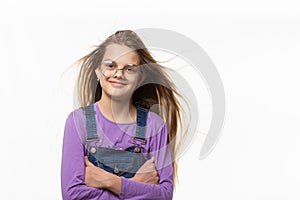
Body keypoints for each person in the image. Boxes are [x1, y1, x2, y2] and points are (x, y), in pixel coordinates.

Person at [61, 30, 185, 199]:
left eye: (129, 69)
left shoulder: (154, 126)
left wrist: (109, 181)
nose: (119, 74)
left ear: (140, 77)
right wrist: (136, 184)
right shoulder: (78, 121)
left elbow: (164, 195)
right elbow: (73, 195)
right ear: (98, 71)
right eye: (111, 66)